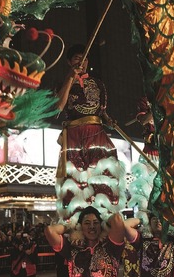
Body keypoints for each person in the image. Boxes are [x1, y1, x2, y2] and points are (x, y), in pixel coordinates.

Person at [54, 44, 126, 225]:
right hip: (73, 134)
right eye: (77, 58)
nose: (82, 62)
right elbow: (58, 107)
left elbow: (101, 110)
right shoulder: (62, 83)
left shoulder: (98, 83)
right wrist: (70, 78)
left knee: (103, 175)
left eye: (84, 58)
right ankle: (75, 224)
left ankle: (107, 220)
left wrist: (110, 120)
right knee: (75, 179)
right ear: (69, 62)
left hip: (96, 132)